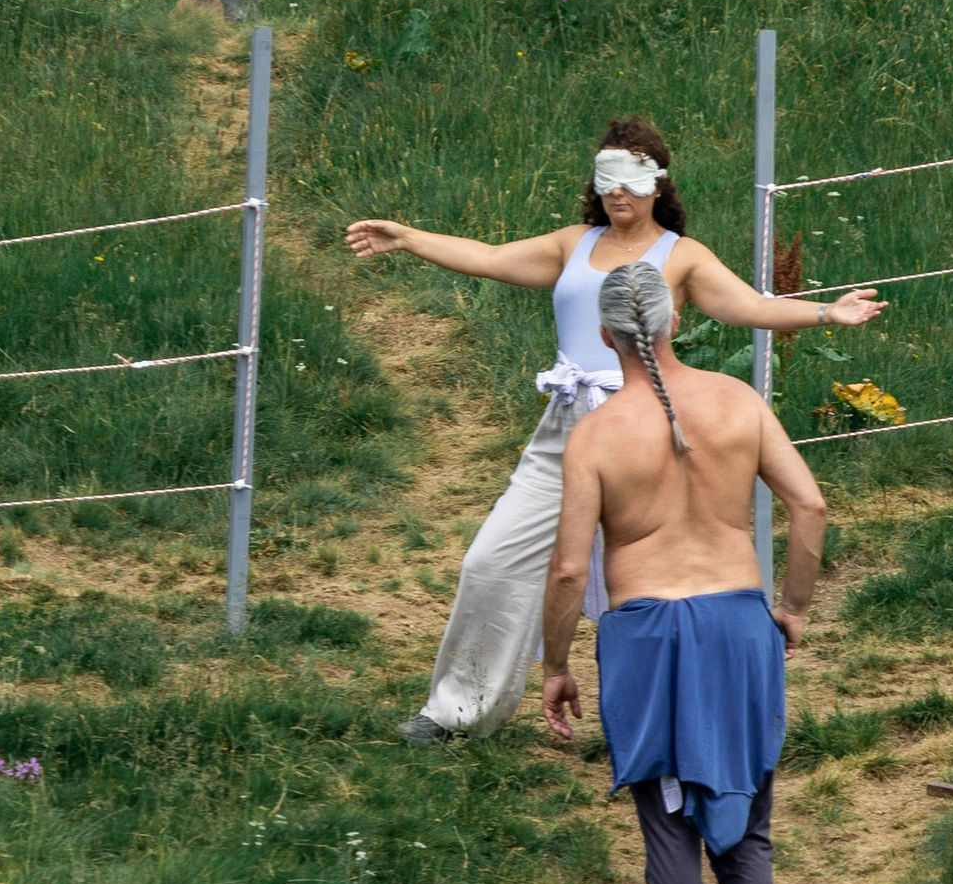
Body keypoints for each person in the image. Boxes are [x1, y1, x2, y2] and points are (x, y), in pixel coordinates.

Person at [345, 118, 879, 743]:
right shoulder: (573, 243)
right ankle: (456, 712)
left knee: (652, 581)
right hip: (565, 431)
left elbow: (750, 306)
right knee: (491, 562)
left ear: (657, 184)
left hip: (644, 433)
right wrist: (408, 237)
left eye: (631, 179)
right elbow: (489, 259)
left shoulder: (683, 256)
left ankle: (673, 726)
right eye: (606, 179)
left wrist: (825, 312)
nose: (616, 192)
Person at [540, 257, 826, 884]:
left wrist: (553, 664)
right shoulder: (739, 402)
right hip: (741, 628)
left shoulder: (596, 436)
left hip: (651, 639)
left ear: (605, 335)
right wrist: (792, 608)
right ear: (674, 322)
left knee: (670, 829)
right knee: (748, 820)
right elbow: (810, 504)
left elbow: (568, 570)